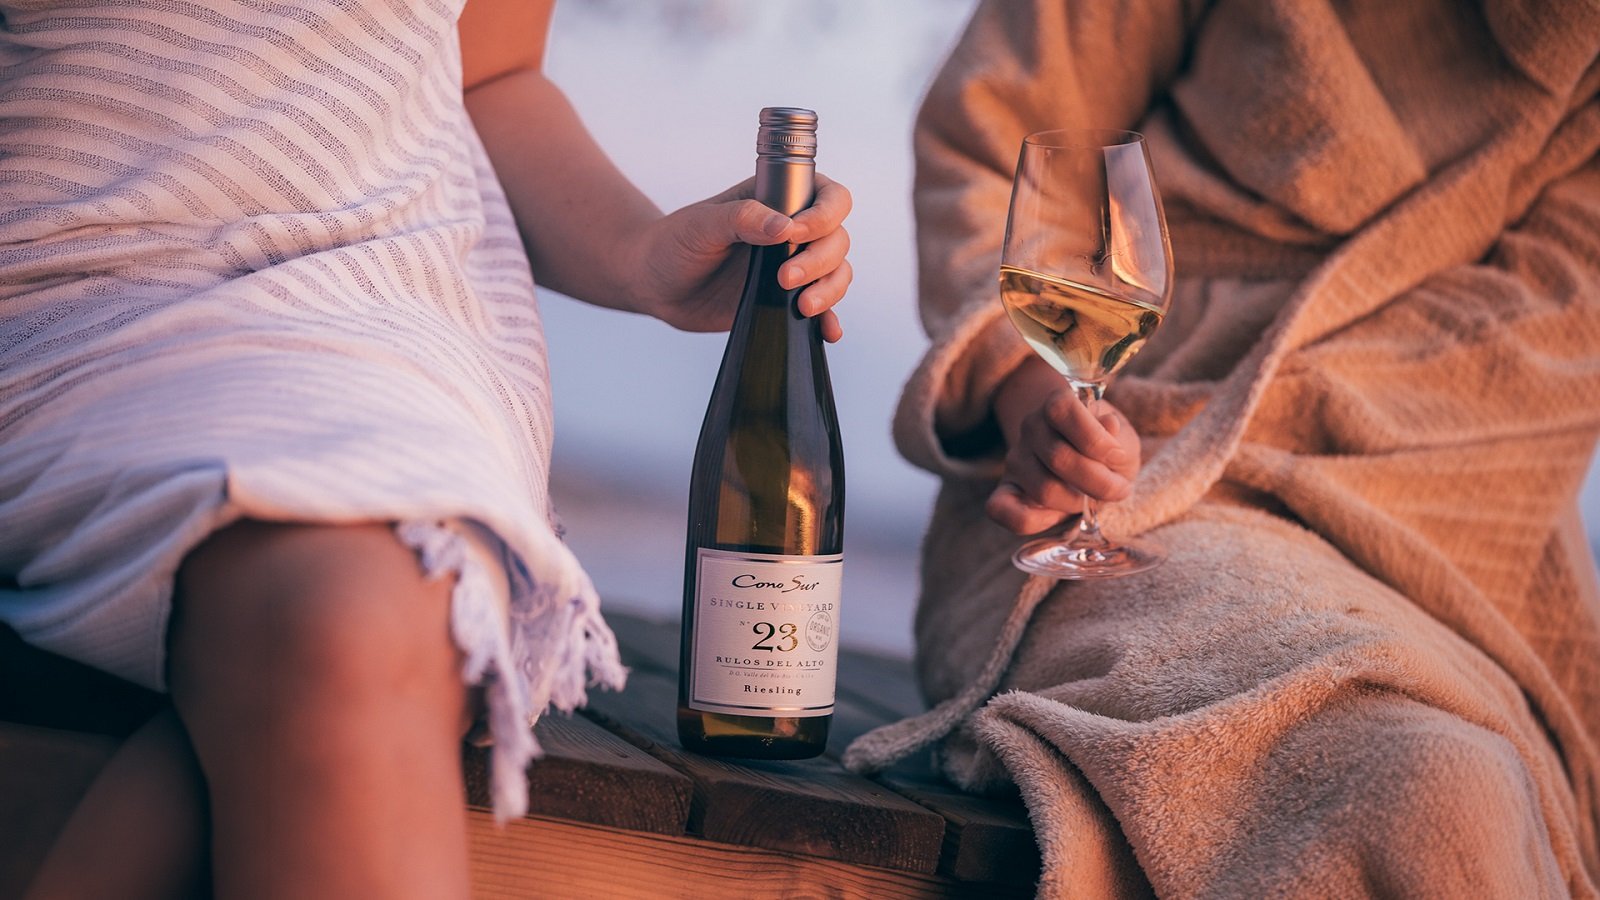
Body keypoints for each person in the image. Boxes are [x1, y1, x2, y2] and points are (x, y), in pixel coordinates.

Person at [1, 1, 852, 897]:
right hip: (81, 296)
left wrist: (645, 257)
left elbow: (491, 75)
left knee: (367, 617)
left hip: (394, 307)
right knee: (350, 635)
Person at [846, 0, 1600, 896]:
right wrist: (1041, 408)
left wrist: (1245, 427)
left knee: (1458, 783)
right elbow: (1000, 138)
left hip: (1444, 542)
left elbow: (1558, 339)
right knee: (1423, 782)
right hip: (1109, 487)